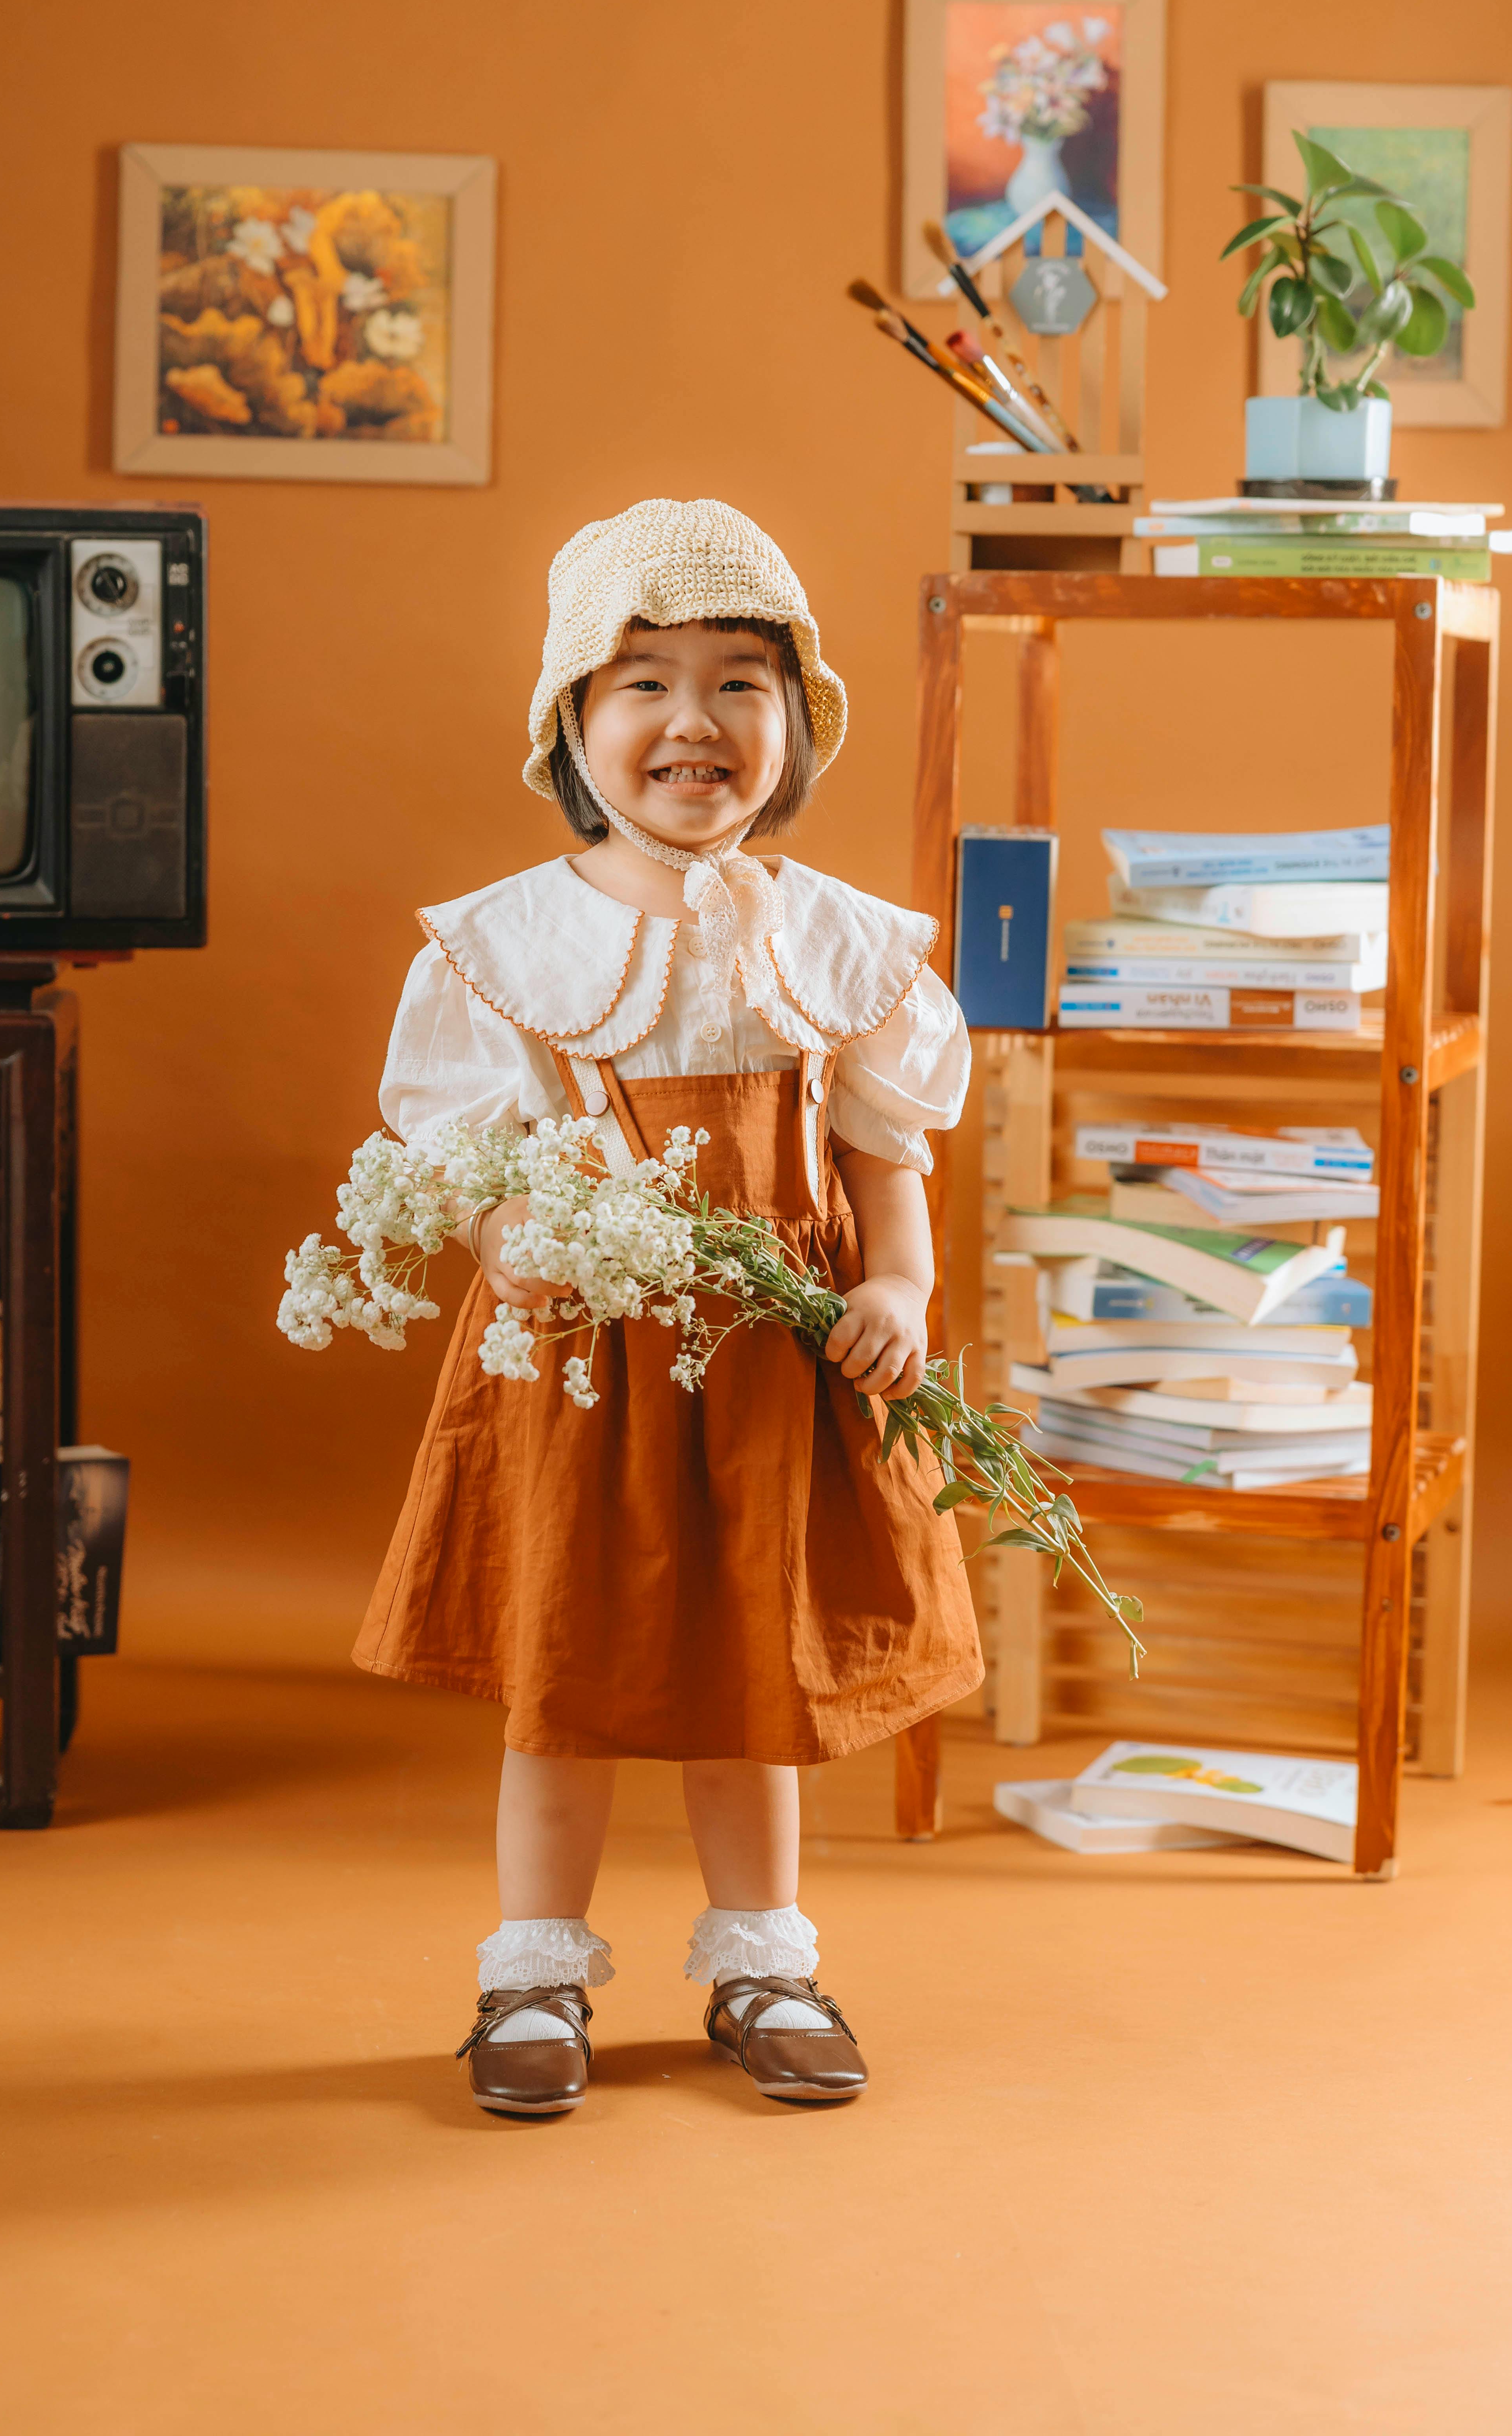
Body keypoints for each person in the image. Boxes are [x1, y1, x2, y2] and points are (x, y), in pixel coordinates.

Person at [357, 498, 981, 2113]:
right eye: (641, 684)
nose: (692, 722)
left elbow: (880, 1151)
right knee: (565, 1669)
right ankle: (535, 1971)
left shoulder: (846, 950)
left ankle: (764, 1955)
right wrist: (521, 1242)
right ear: (575, 723)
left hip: (778, 1371)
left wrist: (898, 1282)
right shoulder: (506, 948)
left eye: (738, 683)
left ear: (793, 724)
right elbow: (472, 1163)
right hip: (585, 1367)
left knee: (754, 1674)